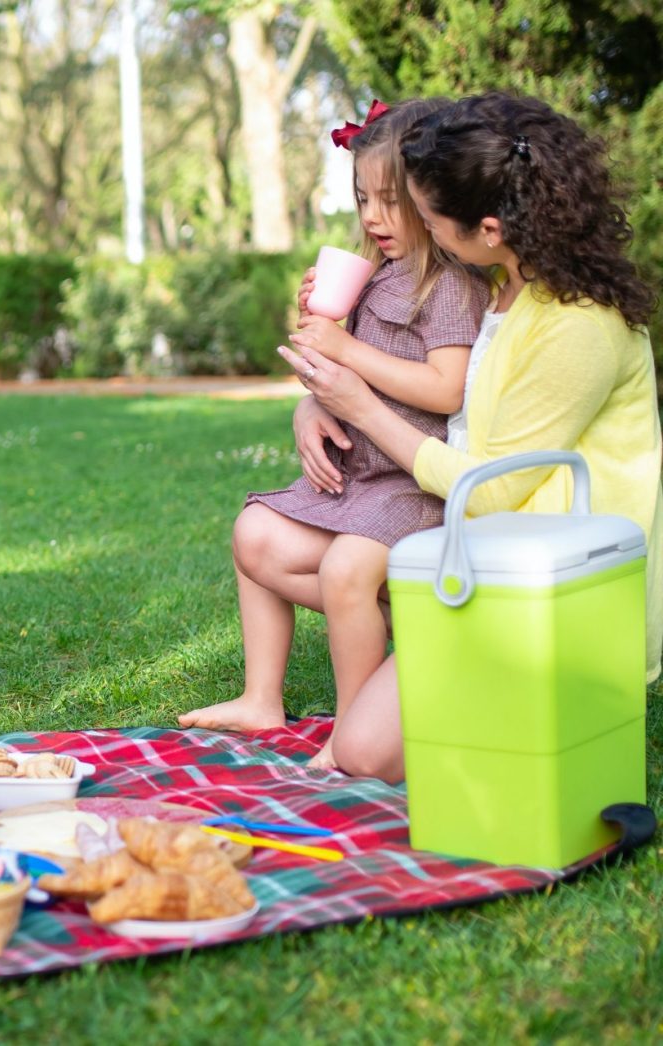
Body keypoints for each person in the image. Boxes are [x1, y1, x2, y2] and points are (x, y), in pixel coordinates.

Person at [279, 92, 662, 782]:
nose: (413, 229)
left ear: (488, 228)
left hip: (560, 595)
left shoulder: (579, 326)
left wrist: (362, 408)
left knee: (364, 754)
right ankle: (449, 673)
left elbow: (490, 491)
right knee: (292, 559)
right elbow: (434, 402)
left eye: (428, 218)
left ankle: (503, 697)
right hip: (487, 558)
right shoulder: (506, 285)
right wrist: (317, 406)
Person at [180, 99, 490, 768]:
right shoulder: (373, 275)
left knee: (348, 569)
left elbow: (446, 387)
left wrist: (348, 352)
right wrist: (314, 377)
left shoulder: (448, 286)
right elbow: (337, 380)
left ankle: (352, 728)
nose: (374, 217)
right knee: (254, 533)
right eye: (362, 199)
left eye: (390, 200)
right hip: (360, 478)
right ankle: (262, 696)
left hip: (414, 484)